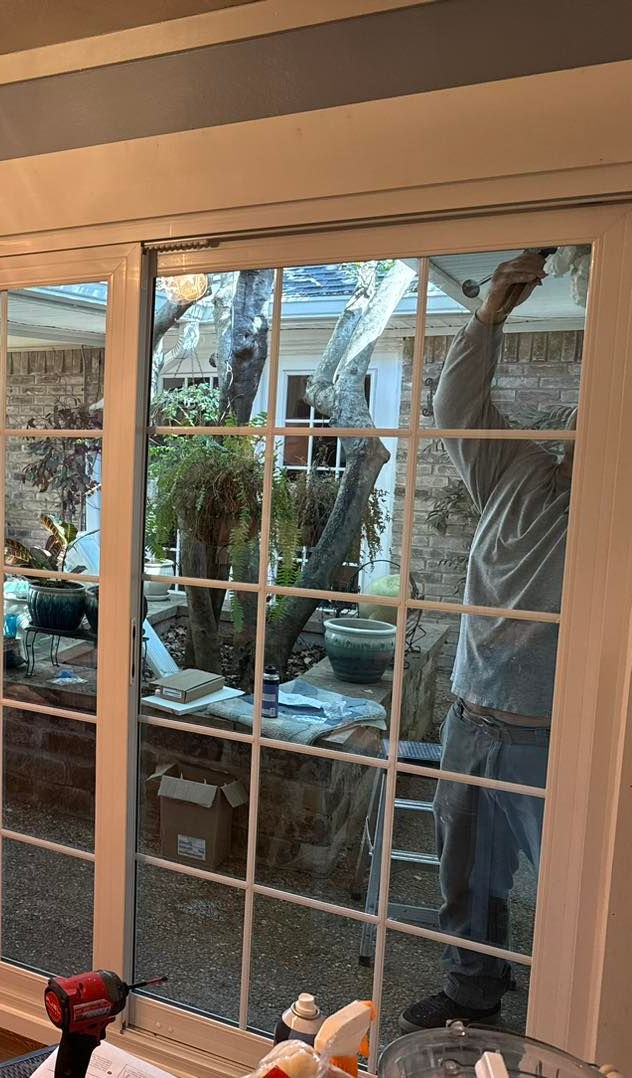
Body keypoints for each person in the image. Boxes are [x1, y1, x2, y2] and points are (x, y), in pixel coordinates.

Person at [399, 251, 572, 1031]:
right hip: (473, 717)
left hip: (558, 738)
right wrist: (490, 313)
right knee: (467, 875)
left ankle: (577, 1014)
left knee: (575, 887)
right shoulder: (518, 471)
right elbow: (455, 403)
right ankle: (473, 995)